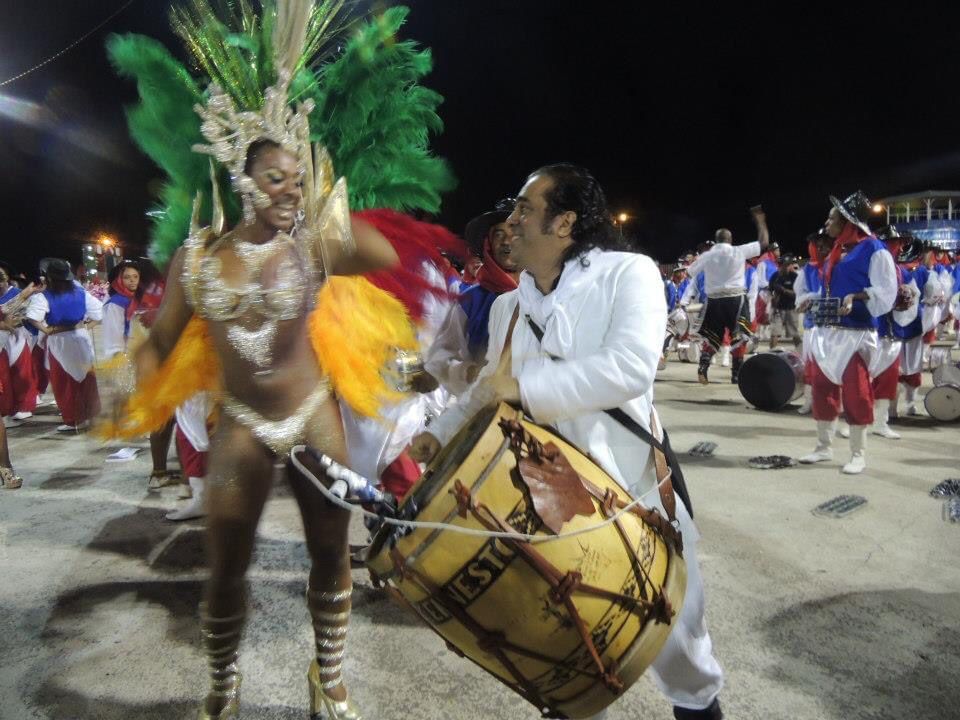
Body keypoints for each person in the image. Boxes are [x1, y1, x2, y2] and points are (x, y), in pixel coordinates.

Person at [411, 164, 725, 720]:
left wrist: (523, 388)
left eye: (525, 209)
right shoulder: (509, 306)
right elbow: (486, 389)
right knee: (567, 662)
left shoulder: (629, 273)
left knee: (683, 655)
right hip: (546, 509)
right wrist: (437, 434)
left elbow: (630, 369)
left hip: (635, 500)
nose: (511, 222)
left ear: (565, 222)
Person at [798, 192, 897, 474]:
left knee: (857, 394)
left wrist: (856, 296)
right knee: (822, 391)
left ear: (849, 223)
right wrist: (813, 298)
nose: (826, 223)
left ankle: (858, 453)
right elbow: (832, 289)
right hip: (826, 333)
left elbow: (885, 291)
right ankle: (823, 447)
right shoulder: (839, 251)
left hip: (855, 334)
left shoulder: (875, 250)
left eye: (832, 218)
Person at [423, 204, 520, 395]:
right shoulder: (471, 299)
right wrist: (465, 371)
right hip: (476, 411)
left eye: (515, 233)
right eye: (499, 234)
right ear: (489, 244)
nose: (507, 241)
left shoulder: (548, 295)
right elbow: (440, 357)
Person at [684, 214, 770, 384]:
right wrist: (760, 222)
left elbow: (689, 273)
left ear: (716, 241)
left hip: (713, 300)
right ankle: (736, 374)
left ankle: (703, 366)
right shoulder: (739, 251)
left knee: (712, 335)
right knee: (739, 336)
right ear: (730, 240)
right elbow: (764, 243)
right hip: (735, 298)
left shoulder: (707, 256)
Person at [24, 259, 102, 432]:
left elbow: (32, 317)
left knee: (64, 380)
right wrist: (85, 327)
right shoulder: (82, 293)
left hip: (59, 340)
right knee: (86, 377)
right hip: (81, 338)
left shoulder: (44, 296)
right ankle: (91, 416)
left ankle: (73, 419)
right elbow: (98, 313)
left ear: (49, 278)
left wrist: (46, 330)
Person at [794, 233, 832, 414]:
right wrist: (805, 301)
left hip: (835, 326)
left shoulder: (838, 266)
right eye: (818, 245)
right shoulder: (806, 270)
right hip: (813, 325)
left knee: (832, 366)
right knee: (812, 365)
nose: (822, 249)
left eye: (825, 245)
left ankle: (828, 403)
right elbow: (799, 295)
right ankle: (809, 401)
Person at [767, 255, 801, 350]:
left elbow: (797, 294)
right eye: (782, 265)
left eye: (787, 265)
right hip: (777, 309)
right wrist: (772, 300)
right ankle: (771, 354)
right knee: (774, 333)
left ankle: (802, 354)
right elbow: (769, 292)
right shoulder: (775, 276)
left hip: (791, 308)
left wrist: (783, 290)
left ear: (790, 265)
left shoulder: (795, 277)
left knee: (795, 334)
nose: (784, 267)